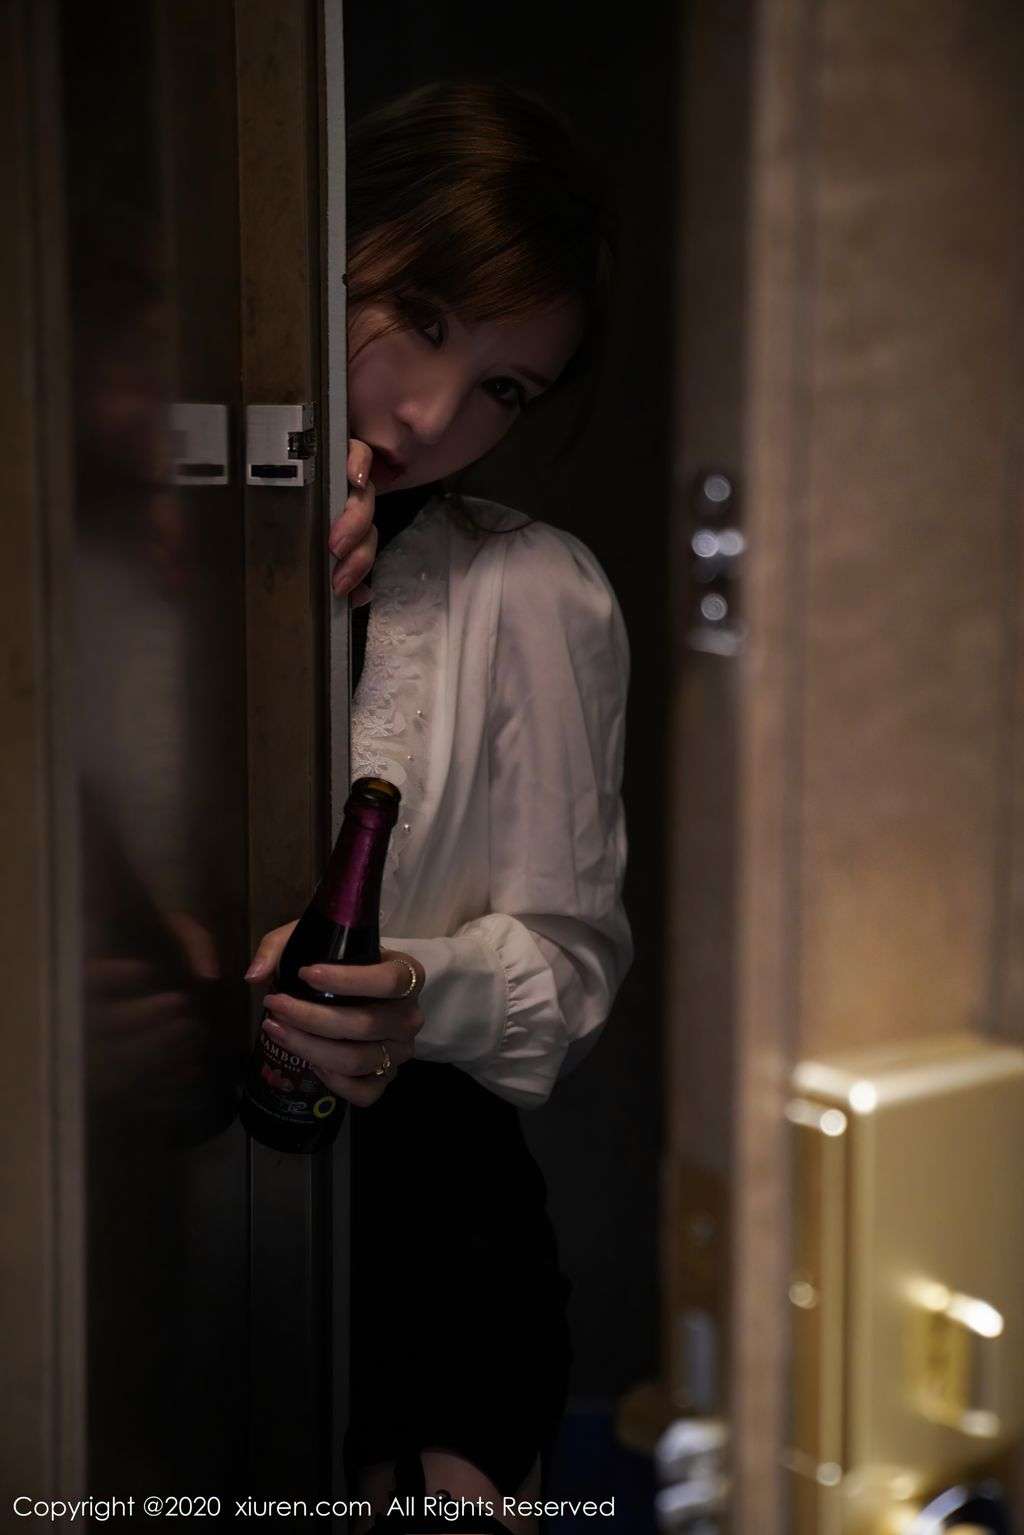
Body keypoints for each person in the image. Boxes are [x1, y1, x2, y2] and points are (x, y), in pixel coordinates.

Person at [244, 81, 633, 1534]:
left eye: (504, 392)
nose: (431, 415)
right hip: (147, 1226)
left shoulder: (528, 588)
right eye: (414, 318)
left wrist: (418, 990)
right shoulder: (153, 498)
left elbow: (572, 969)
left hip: (427, 1250)